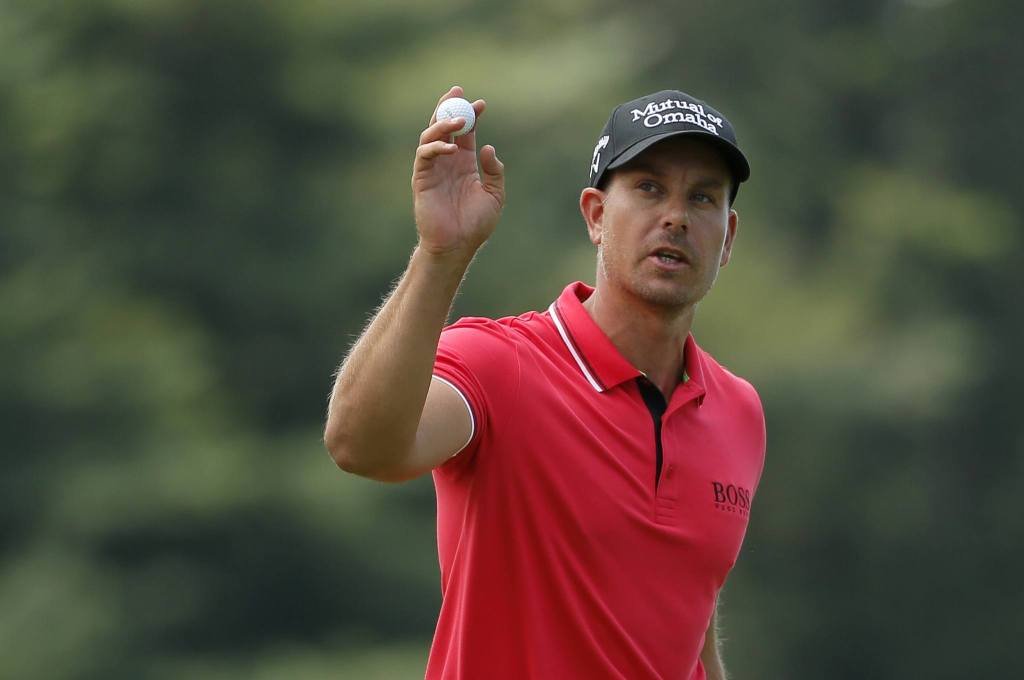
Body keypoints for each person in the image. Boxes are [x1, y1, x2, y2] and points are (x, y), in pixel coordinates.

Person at [324, 85, 766, 680]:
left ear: (728, 236)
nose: (677, 216)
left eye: (703, 197)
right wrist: (441, 254)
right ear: (596, 215)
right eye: (649, 188)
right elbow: (359, 445)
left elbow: (691, 622)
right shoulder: (498, 364)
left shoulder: (739, 411)